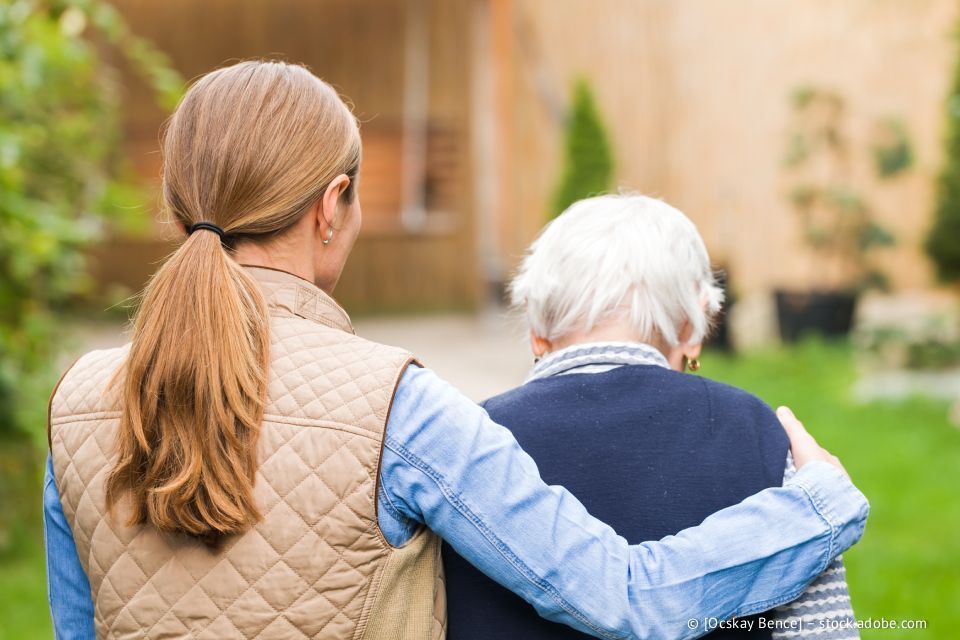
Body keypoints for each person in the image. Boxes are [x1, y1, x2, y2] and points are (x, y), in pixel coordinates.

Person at [44, 61, 868, 640]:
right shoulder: (394, 405)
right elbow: (624, 598)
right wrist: (817, 506)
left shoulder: (75, 402)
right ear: (334, 206)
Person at [443, 194, 861, 640]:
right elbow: (820, 627)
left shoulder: (467, 442)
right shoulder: (760, 433)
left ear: (536, 329)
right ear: (693, 328)